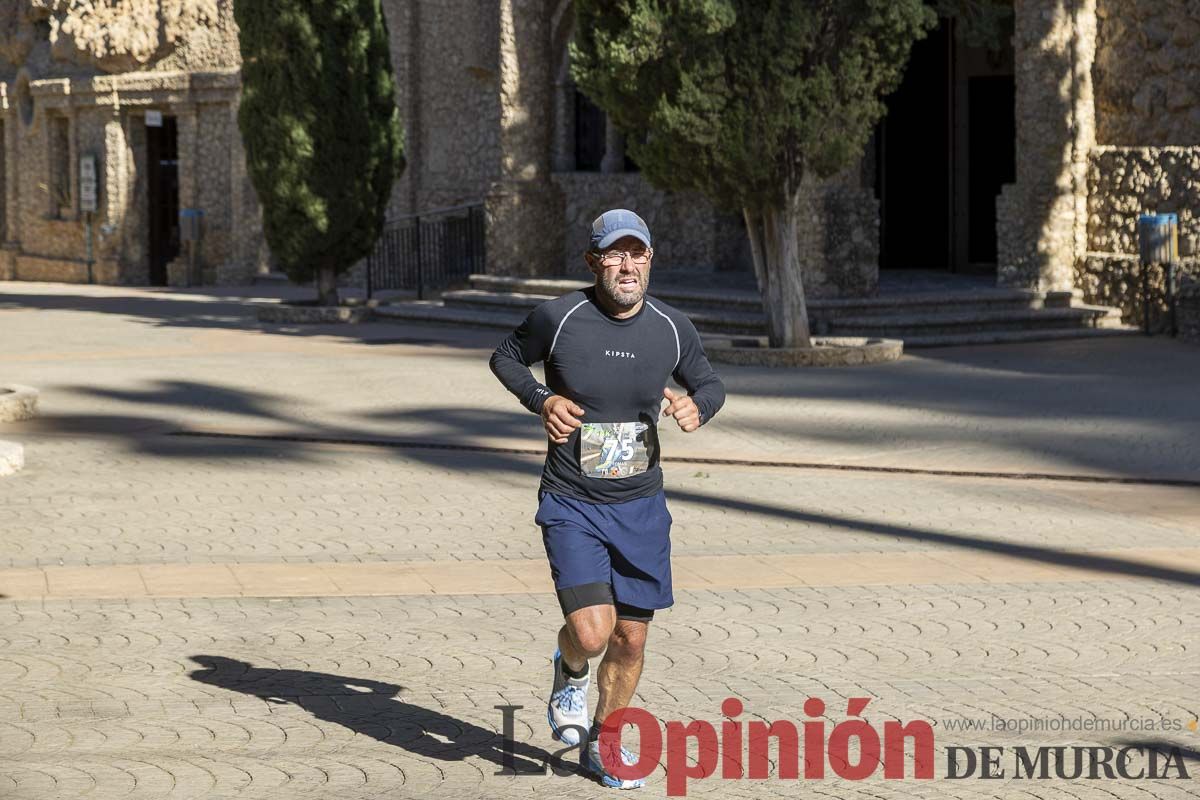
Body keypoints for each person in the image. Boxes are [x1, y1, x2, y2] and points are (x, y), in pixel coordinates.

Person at [489, 209, 726, 788]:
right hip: (572, 500)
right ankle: (569, 668)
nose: (626, 265)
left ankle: (606, 744)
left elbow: (710, 383)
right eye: (614, 254)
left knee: (631, 636)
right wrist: (541, 398)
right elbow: (505, 357)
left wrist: (701, 406)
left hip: (641, 507)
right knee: (593, 634)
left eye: (636, 253)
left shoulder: (672, 328)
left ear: (650, 260)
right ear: (594, 261)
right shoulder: (559, 317)